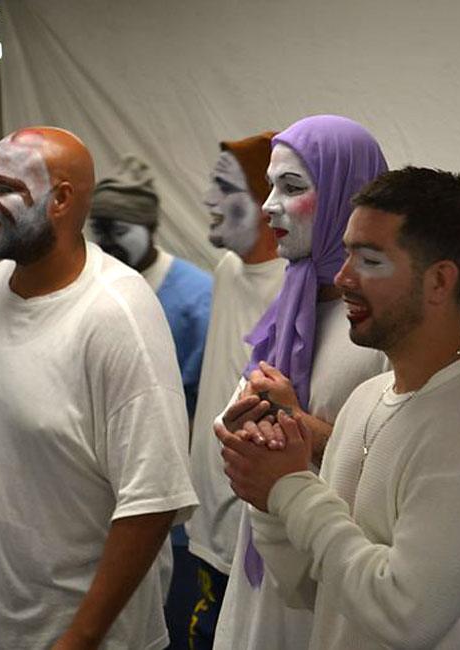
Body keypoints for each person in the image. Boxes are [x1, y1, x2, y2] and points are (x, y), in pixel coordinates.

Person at [0, 127, 198, 650]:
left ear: (61, 200)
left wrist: (79, 638)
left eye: (6, 188)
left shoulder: (118, 313)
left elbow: (153, 501)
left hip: (85, 637)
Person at [218, 166, 460, 649]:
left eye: (369, 260)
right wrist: (264, 487)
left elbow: (401, 614)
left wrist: (289, 487)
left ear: (438, 282)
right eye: (347, 254)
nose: (344, 277)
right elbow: (311, 587)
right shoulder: (368, 398)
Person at [212, 115, 390, 650]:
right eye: (271, 186)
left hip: (333, 570)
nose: (269, 206)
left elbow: (395, 465)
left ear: (346, 196)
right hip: (266, 563)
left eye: (292, 188)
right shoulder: (292, 301)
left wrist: (295, 423)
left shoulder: (383, 327)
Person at [185, 131, 286, 648]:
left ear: (266, 205)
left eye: (225, 188)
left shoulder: (298, 289)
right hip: (206, 528)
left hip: (257, 543)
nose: (208, 200)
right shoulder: (227, 271)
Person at [90, 153, 212, 421]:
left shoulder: (198, 297)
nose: (107, 244)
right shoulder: (89, 285)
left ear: (151, 226)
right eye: (99, 233)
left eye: (120, 232)